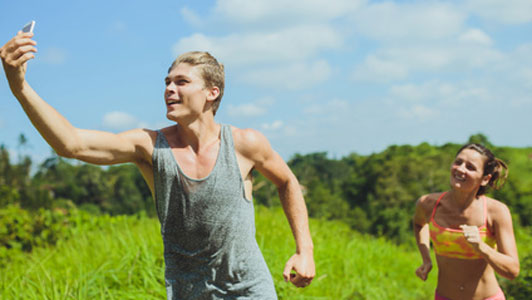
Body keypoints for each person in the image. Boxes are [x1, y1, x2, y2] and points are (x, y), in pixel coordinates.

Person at [1, 30, 315, 299]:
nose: (169, 89)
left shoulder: (245, 144)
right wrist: (20, 87)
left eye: (181, 82)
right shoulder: (150, 147)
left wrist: (305, 251)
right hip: (188, 292)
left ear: (211, 92)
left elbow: (287, 182)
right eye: (167, 82)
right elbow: (71, 144)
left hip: (250, 289)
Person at [413, 143, 520, 300]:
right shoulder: (428, 204)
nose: (461, 169)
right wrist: (426, 259)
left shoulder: (496, 212)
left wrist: (481, 247)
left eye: (470, 167)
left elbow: (512, 271)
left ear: (485, 179)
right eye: (458, 162)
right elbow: (419, 224)